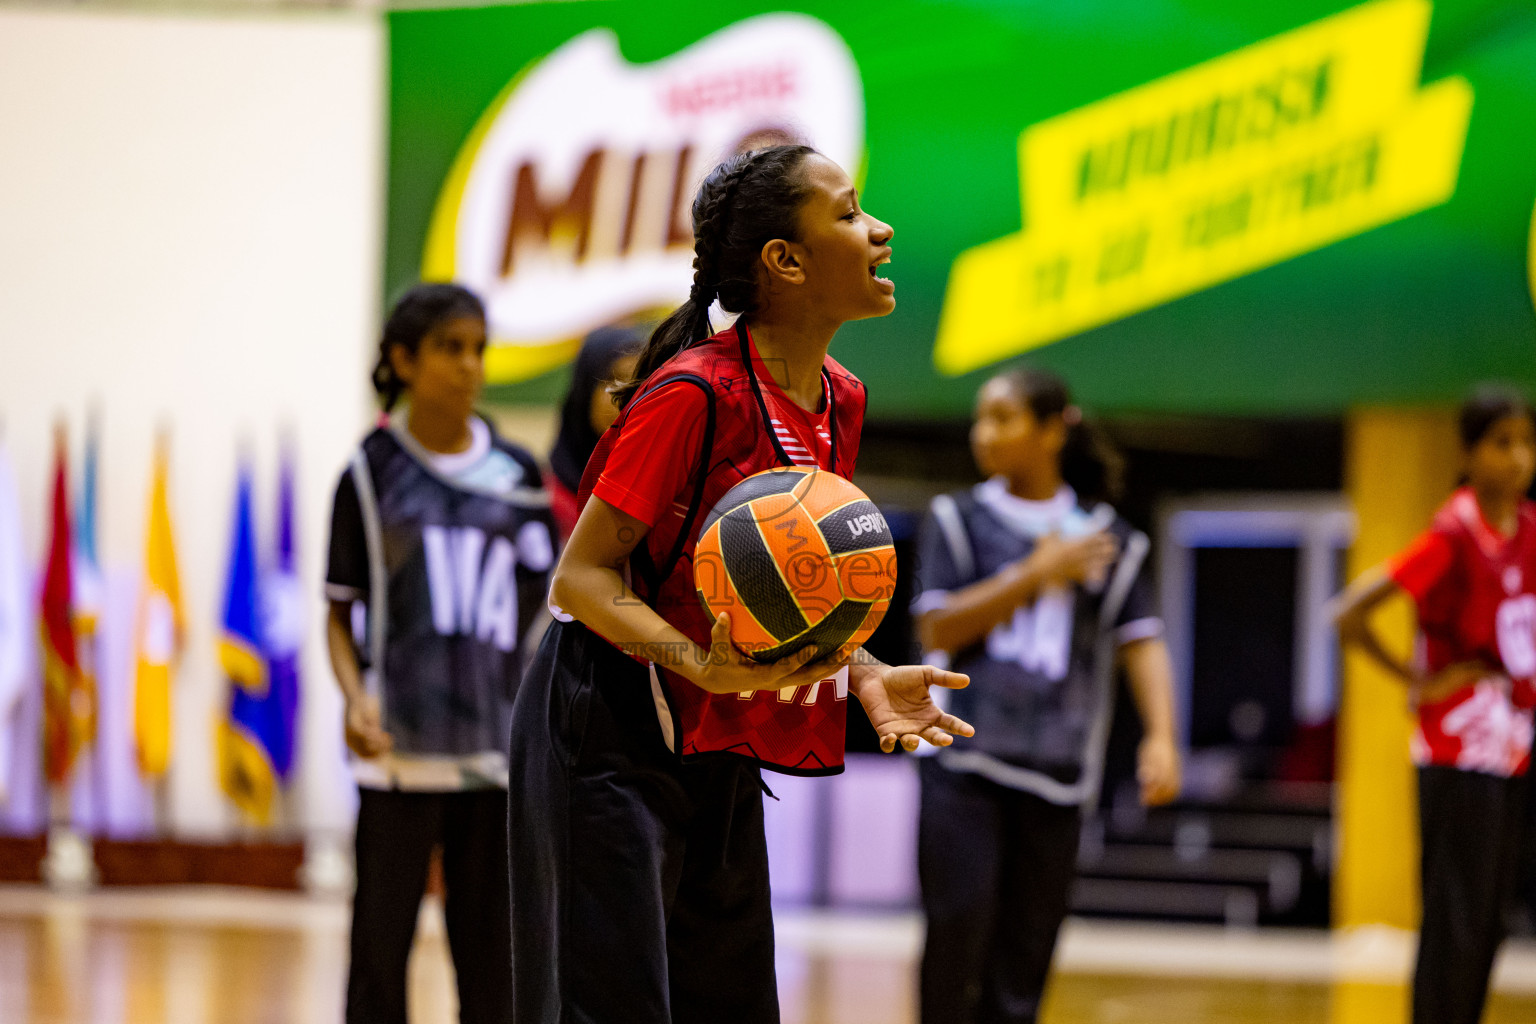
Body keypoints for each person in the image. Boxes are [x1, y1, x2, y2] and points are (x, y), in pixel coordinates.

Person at [506, 144, 974, 1024]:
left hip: (713, 729)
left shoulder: (842, 397)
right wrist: (698, 662)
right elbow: (582, 577)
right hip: (604, 723)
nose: (881, 230)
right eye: (848, 212)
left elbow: (795, 586)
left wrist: (863, 668)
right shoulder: (691, 394)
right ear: (784, 261)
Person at [912, 366, 1181, 1024]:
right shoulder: (958, 519)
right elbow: (937, 625)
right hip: (963, 765)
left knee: (1025, 960)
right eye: (980, 419)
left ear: (1054, 430)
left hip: (1058, 771)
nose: (985, 434)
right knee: (958, 935)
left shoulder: (1108, 536)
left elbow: (1141, 638)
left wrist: (1163, 737)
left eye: (1003, 418)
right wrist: (1038, 570)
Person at [324, 282, 556, 1024]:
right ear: (404, 358)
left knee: (493, 955)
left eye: (479, 349)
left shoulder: (519, 476)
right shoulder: (368, 473)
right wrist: (355, 697)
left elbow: (544, 610)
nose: (470, 366)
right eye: (451, 348)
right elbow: (339, 610)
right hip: (398, 752)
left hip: (493, 755)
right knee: (379, 952)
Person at [1334, 385, 1536, 1024]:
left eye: (1527, 443)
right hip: (1456, 743)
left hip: (1513, 742)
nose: (1519, 458)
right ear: (1468, 453)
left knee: (1490, 918)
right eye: (1502, 443)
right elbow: (1350, 613)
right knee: (1455, 916)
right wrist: (1418, 678)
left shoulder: (1529, 532)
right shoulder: (1450, 535)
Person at [546, 325, 643, 540]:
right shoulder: (543, 502)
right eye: (613, 380)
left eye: (638, 384)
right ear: (585, 389)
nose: (626, 399)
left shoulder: (656, 497)